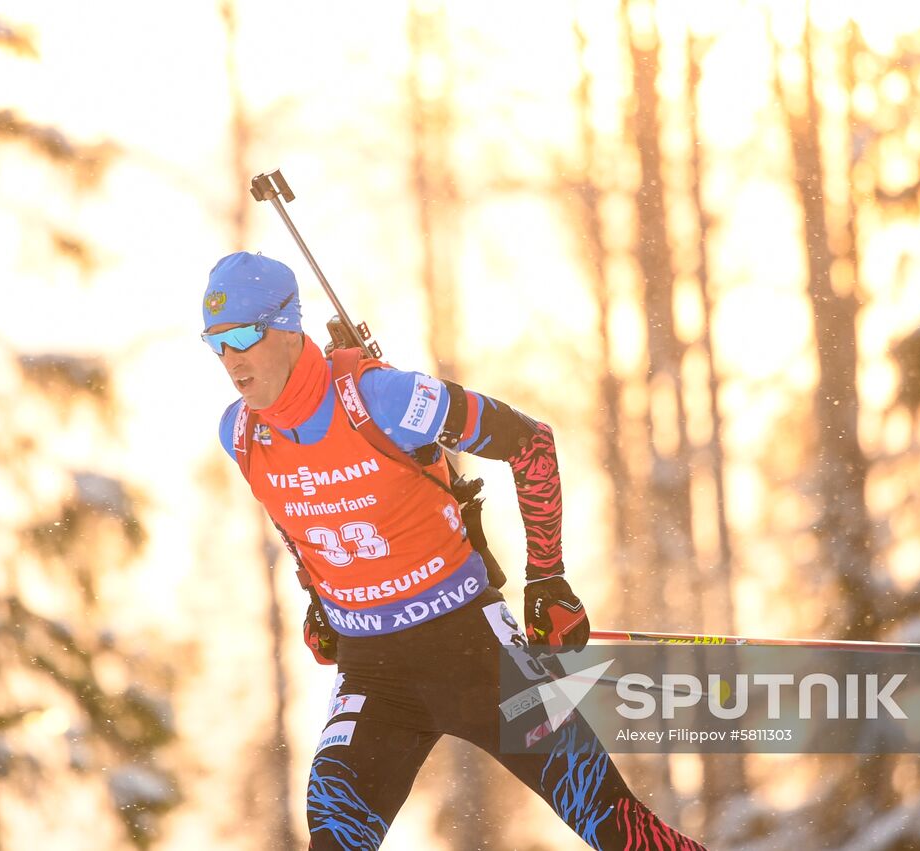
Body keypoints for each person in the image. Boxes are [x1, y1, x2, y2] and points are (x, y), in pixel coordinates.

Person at [205, 251, 708, 850]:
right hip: (374, 675)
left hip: (477, 656)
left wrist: (547, 579)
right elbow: (296, 516)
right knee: (333, 839)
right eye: (215, 341)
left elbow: (530, 444)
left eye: (244, 334)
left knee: (619, 831)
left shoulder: (383, 398)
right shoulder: (240, 433)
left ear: (289, 327)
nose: (231, 358)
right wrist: (319, 595)